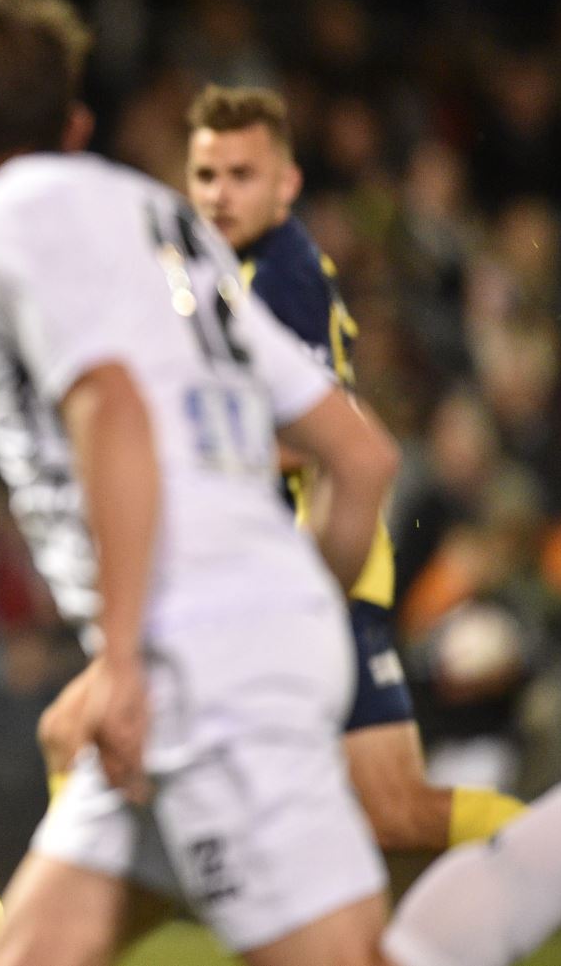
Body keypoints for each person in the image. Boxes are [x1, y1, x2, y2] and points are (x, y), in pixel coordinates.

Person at [0, 0, 561, 966]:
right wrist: (286, 610)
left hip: (191, 667)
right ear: (76, 120)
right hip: (217, 642)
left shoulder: (10, 214)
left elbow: (113, 410)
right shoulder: (155, 215)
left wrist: (131, 656)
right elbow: (360, 450)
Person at [34, 84, 527, 854]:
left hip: (311, 551)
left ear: (287, 183)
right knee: (390, 810)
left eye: (242, 175)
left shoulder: (282, 274)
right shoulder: (224, 273)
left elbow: (320, 436)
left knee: (80, 731)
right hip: (272, 563)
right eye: (207, 176)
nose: (220, 195)